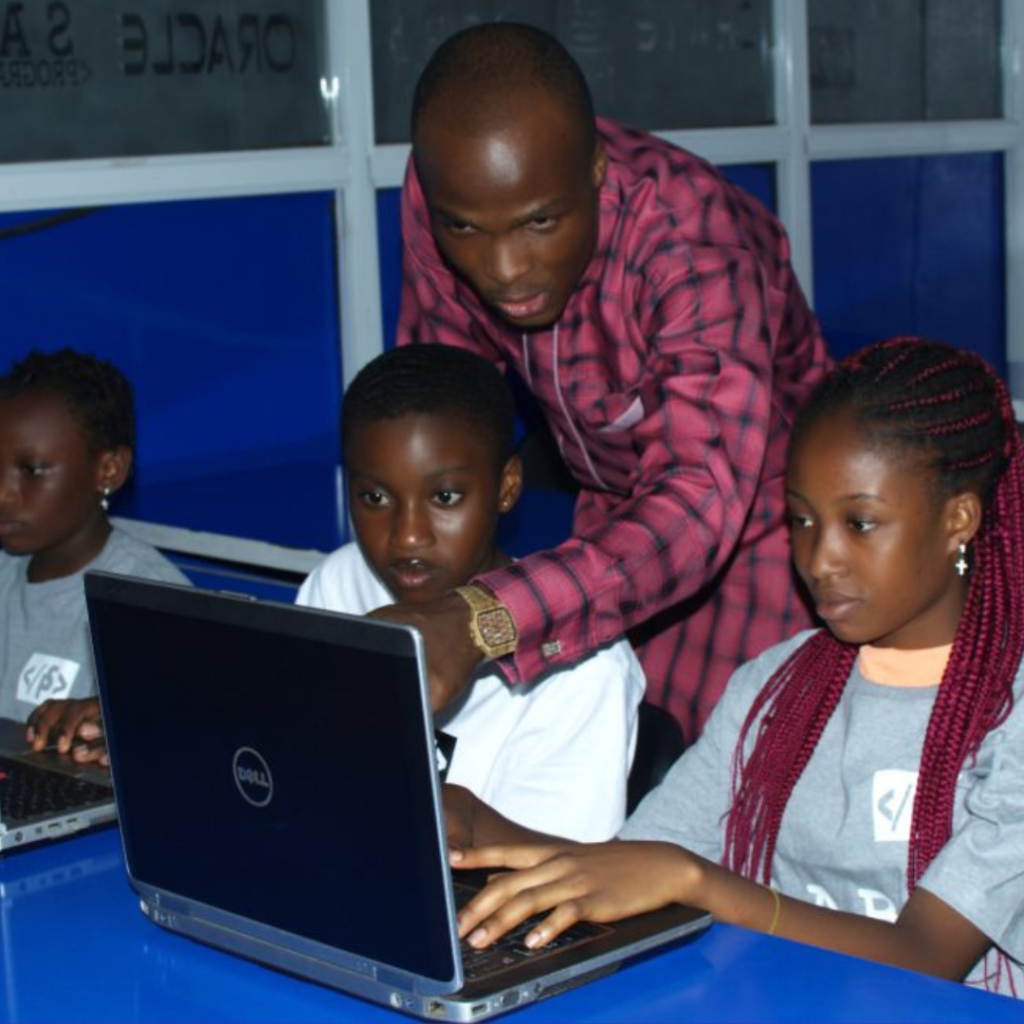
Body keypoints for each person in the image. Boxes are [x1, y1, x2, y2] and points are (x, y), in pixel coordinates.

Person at [443, 338, 1024, 996]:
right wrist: (480, 826)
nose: (820, 559)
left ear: (959, 519)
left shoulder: (1011, 711)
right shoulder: (774, 688)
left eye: (860, 523)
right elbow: (638, 868)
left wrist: (700, 883)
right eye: (802, 520)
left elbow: (926, 957)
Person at [392, 22, 832, 743]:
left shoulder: (691, 238)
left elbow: (699, 499)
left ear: (596, 169)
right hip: (613, 507)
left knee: (729, 770)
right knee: (606, 748)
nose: (503, 270)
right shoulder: (445, 188)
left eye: (540, 221)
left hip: (764, 522)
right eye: (466, 230)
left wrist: (486, 617)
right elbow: (442, 403)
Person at [297, 344, 645, 841]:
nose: (408, 535)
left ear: (506, 487)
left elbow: (561, 879)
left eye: (444, 497)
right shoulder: (339, 583)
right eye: (374, 498)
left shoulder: (585, 668)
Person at [0, 347, 190, 764]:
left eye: (32, 469)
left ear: (109, 470)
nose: (3, 492)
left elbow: (186, 735)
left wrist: (109, 722)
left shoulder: (150, 599)